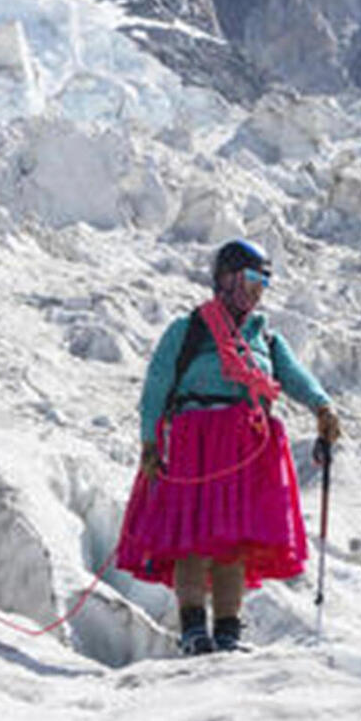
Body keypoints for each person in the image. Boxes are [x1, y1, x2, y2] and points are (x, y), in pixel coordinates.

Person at [113, 239, 341, 655]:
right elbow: (156, 387)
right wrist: (149, 442)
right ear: (226, 279)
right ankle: (194, 631)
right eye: (253, 278)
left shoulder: (264, 337)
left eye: (264, 281)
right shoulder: (189, 330)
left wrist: (322, 406)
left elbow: (293, 376)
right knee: (193, 538)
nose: (259, 289)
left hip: (244, 447)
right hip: (194, 443)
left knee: (232, 543)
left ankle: (228, 633)